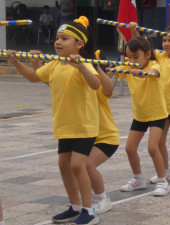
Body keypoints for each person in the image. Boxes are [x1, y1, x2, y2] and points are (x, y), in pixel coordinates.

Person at [7, 16, 100, 224]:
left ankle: (89, 210)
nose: (58, 42)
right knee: (64, 165)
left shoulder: (84, 64)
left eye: (64, 38)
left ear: (79, 44)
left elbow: (95, 85)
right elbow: (34, 76)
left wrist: (81, 67)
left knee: (78, 165)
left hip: (84, 125)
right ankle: (75, 207)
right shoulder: (55, 64)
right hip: (64, 125)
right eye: (57, 38)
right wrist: (16, 62)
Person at [97, 36, 169, 197]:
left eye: (136, 57)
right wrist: (98, 65)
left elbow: (153, 73)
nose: (132, 60)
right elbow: (110, 72)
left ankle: (163, 180)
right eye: (129, 57)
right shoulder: (128, 66)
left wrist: (141, 73)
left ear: (148, 54)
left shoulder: (154, 65)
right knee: (129, 148)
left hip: (157, 114)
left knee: (152, 147)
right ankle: (138, 180)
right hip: (140, 114)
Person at [129, 23, 170, 184]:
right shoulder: (159, 56)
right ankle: (164, 171)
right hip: (163, 107)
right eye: (164, 40)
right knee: (160, 141)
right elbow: (140, 47)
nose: (166, 43)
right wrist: (133, 30)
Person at [87, 50, 120, 214]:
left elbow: (108, 87)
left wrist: (96, 66)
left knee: (88, 164)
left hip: (106, 138)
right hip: (86, 137)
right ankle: (87, 199)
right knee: (76, 166)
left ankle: (103, 198)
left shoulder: (98, 87)